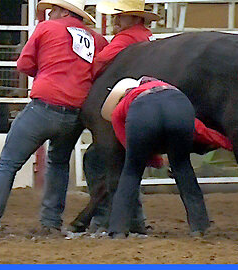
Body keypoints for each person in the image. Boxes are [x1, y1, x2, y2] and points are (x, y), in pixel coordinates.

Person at [0, 0, 108, 239]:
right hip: (74, 113)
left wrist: (47, 69)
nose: (49, 13)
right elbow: (96, 73)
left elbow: (24, 64)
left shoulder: (47, 29)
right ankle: (50, 223)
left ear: (63, 11)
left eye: (53, 10)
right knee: (59, 163)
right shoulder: (97, 40)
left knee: (8, 164)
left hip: (44, 106)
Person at [102, 76, 233, 238]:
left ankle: (118, 230)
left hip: (143, 112)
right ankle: (199, 227)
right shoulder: (168, 90)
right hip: (179, 105)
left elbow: (131, 148)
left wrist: (157, 162)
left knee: (131, 171)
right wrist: (230, 145)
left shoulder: (123, 105)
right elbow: (199, 130)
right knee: (183, 166)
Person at [85, 0, 160, 234]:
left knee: (97, 159)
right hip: (151, 105)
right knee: (129, 163)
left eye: (121, 16)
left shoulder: (127, 39)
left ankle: (104, 217)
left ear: (135, 19)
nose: (117, 21)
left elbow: (98, 63)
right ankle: (136, 220)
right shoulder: (147, 38)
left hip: (127, 106)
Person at [92, 0, 160, 79]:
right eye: (115, 16)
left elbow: (101, 60)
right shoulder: (146, 33)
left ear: (136, 18)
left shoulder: (127, 37)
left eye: (121, 16)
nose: (115, 20)